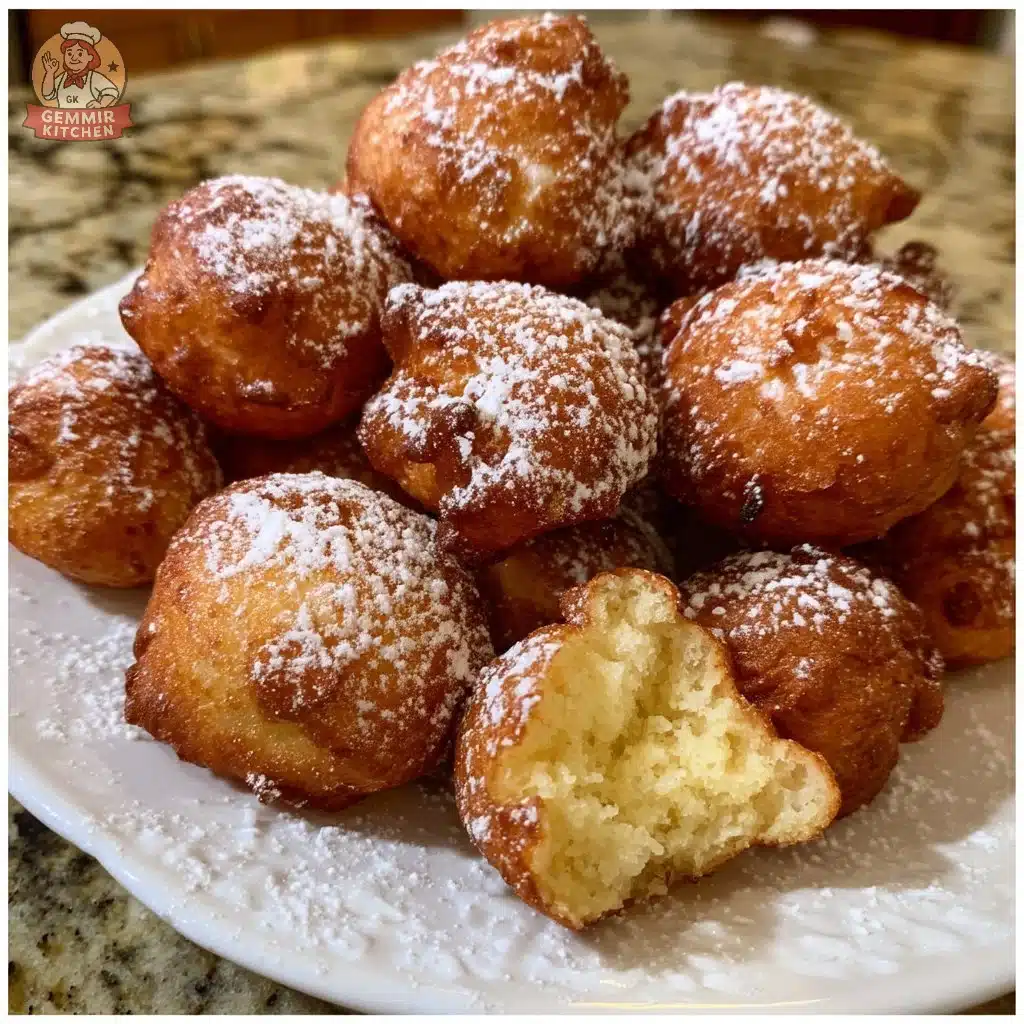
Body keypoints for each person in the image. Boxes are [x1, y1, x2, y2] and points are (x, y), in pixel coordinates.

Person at [40, 21, 119, 109]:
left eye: (80, 54)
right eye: (69, 54)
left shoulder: (93, 77)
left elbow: (111, 92)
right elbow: (48, 95)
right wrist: (50, 73)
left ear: (90, 57)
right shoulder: (62, 78)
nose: (74, 58)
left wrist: (101, 104)